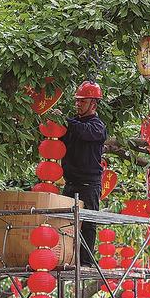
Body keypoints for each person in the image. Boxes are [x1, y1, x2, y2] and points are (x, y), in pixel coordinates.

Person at [60, 81, 107, 266]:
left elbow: (84, 132)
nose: (78, 104)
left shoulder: (97, 126)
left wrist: (64, 121)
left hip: (89, 185)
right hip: (71, 182)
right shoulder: (73, 124)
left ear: (93, 104)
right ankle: (68, 257)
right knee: (65, 222)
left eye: (83, 101)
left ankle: (85, 262)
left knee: (88, 223)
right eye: (77, 101)